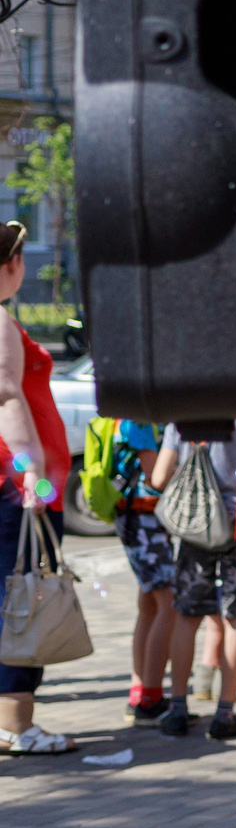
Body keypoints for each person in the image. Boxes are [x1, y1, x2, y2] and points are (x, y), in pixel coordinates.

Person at [147, 417, 236, 739]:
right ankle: (224, 714)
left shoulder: (181, 413)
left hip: (196, 523)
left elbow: (158, 478)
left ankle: (178, 709)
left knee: (188, 613)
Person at [0, 220, 73, 752]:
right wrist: (31, 474)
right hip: (17, 489)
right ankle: (15, 725)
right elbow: (6, 397)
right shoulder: (0, 321)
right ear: (11, 265)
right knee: (22, 598)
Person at [107, 417, 177, 724]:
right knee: (168, 604)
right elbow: (154, 476)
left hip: (136, 519)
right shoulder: (139, 422)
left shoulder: (124, 417)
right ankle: (150, 698)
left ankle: (140, 691)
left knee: (149, 605)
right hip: (143, 519)